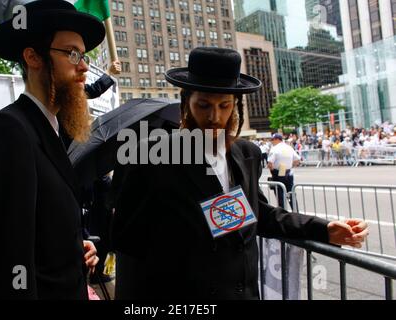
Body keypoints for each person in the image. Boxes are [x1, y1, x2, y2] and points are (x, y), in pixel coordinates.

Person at [111, 47, 369, 300]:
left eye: (224, 106)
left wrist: (323, 229)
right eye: (203, 105)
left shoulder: (247, 154)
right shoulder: (148, 157)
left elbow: (259, 214)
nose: (215, 117)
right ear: (186, 102)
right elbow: (128, 244)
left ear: (236, 106)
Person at [0, 0, 104, 299]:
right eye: (72, 53)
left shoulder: (52, 131)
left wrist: (73, 247)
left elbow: (40, 230)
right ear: (33, 57)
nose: (84, 66)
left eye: (84, 55)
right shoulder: (7, 131)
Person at [267, 133, 300, 210]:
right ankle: (295, 210)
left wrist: (272, 172)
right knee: (291, 193)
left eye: (273, 140)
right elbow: (297, 160)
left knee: (280, 194)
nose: (272, 141)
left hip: (278, 172)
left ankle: (283, 212)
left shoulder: (274, 149)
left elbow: (270, 163)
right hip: (288, 172)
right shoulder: (289, 147)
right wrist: (290, 166)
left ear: (277, 139)